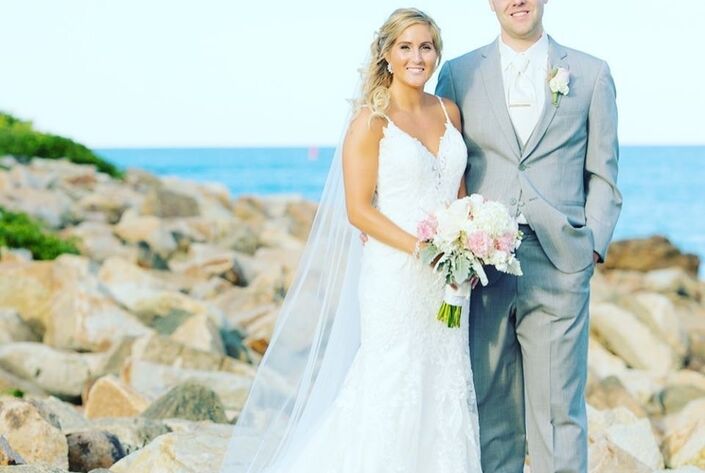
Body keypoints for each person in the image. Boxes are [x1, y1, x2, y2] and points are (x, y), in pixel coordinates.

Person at [219, 8, 483, 473]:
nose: (417, 57)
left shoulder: (449, 112)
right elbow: (358, 209)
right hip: (397, 276)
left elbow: (458, 193)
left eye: (425, 47)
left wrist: (471, 246)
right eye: (405, 47)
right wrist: (423, 250)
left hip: (448, 277)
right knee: (391, 383)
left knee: (444, 381)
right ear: (387, 55)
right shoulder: (370, 121)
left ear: (436, 54)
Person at [436, 1, 622, 472]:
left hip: (559, 262)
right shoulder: (458, 74)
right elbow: (441, 166)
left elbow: (604, 175)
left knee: (559, 414)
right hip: (482, 269)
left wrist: (590, 247)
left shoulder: (591, 74)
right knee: (490, 409)